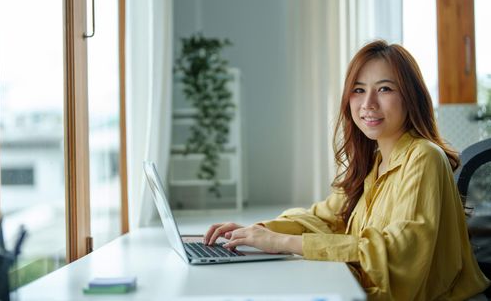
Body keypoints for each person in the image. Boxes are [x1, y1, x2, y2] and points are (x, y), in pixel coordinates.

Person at [203, 40, 490, 300]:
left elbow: (399, 253)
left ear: (410, 96)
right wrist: (258, 231)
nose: (368, 104)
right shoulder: (376, 162)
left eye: (385, 89)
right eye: (358, 90)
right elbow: (324, 218)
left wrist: (282, 242)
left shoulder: (424, 157)